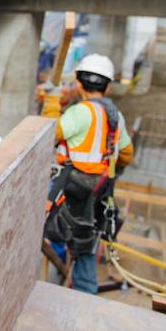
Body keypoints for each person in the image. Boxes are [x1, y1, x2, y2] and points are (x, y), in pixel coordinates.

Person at [42, 53, 134, 294]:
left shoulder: (81, 112)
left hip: (70, 190)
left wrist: (52, 102)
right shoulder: (116, 116)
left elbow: (49, 133)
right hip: (98, 193)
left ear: (79, 84)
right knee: (85, 248)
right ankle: (84, 301)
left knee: (43, 228)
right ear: (108, 87)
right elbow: (126, 153)